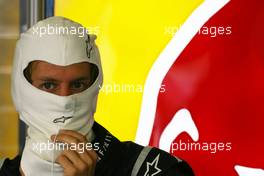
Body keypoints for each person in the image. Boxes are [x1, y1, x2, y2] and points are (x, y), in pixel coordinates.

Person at [0, 16, 194, 176]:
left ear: (95, 84)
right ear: (22, 87)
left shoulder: (157, 170)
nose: (65, 100)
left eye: (77, 85)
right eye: (49, 85)